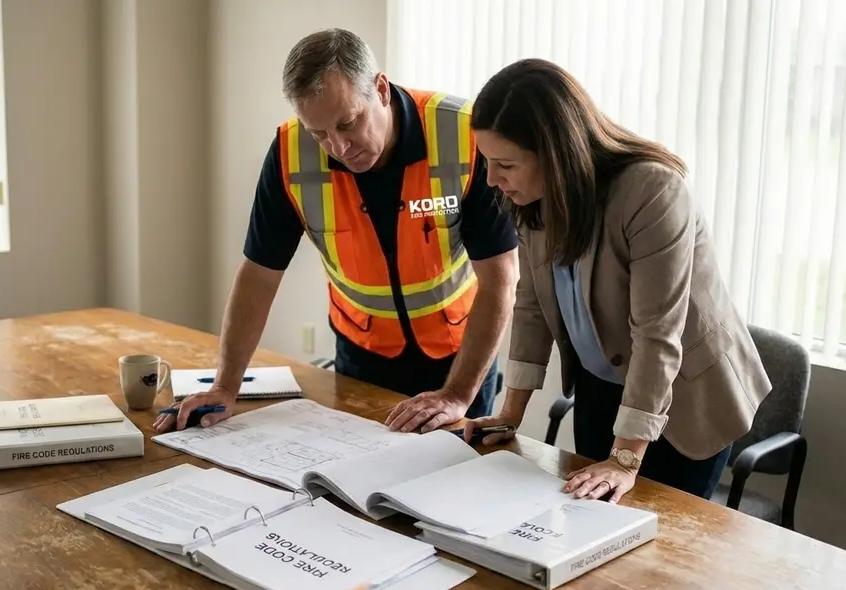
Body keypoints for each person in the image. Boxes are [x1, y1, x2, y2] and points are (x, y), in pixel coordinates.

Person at [152, 29, 519, 435]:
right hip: (360, 357)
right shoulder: (290, 154)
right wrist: (225, 387)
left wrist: (457, 394)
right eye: (319, 133)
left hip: (460, 359)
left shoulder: (461, 136)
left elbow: (501, 278)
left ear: (380, 89)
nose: (339, 147)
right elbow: (259, 275)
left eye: (349, 123)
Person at [464, 58, 772, 503]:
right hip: (601, 387)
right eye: (488, 162)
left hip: (684, 396)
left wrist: (625, 459)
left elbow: (657, 333)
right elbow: (531, 306)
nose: (492, 179)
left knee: (662, 548)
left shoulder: (652, 192)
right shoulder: (532, 197)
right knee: (593, 526)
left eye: (505, 164)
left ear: (554, 153)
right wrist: (510, 412)